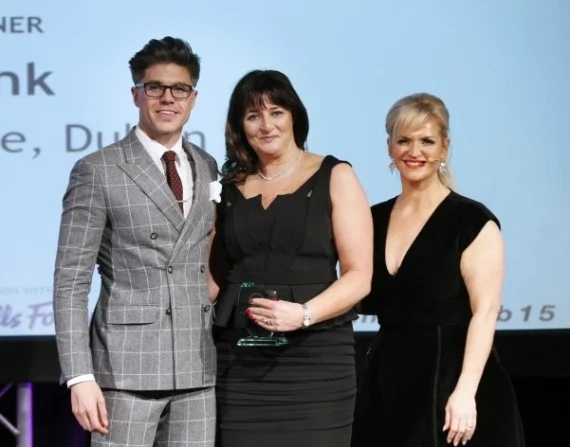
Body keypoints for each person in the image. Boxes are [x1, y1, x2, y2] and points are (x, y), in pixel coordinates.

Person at [53, 36, 218, 447]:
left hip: (197, 367)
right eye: (155, 87)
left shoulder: (207, 165)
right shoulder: (99, 170)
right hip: (125, 370)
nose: (168, 98)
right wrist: (79, 375)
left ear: (193, 98)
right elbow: (71, 281)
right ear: (136, 94)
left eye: (179, 89)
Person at [208, 69, 373, 447]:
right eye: (253, 116)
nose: (267, 125)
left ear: (294, 115)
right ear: (240, 127)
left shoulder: (335, 175)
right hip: (240, 366)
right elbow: (213, 278)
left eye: (276, 112)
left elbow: (359, 275)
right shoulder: (228, 188)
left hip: (316, 363)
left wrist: (303, 314)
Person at [351, 93, 525, 447]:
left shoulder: (471, 220)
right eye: (404, 140)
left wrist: (465, 392)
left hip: (454, 382)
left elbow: (486, 311)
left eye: (427, 141)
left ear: (445, 147)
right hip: (388, 383)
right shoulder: (372, 219)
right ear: (390, 147)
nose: (414, 151)